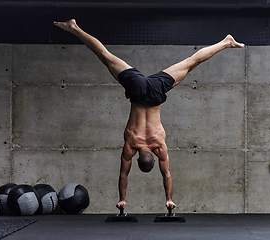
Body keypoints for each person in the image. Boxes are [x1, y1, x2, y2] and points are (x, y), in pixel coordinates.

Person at [54, 19, 245, 211]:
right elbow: (123, 175)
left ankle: (225, 43)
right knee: (104, 56)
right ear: (138, 158)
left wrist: (170, 199)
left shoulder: (159, 146)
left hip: (155, 92)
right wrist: (122, 200)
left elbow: (166, 174)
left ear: (153, 158)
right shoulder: (131, 145)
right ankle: (74, 28)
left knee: (190, 63)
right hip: (137, 90)